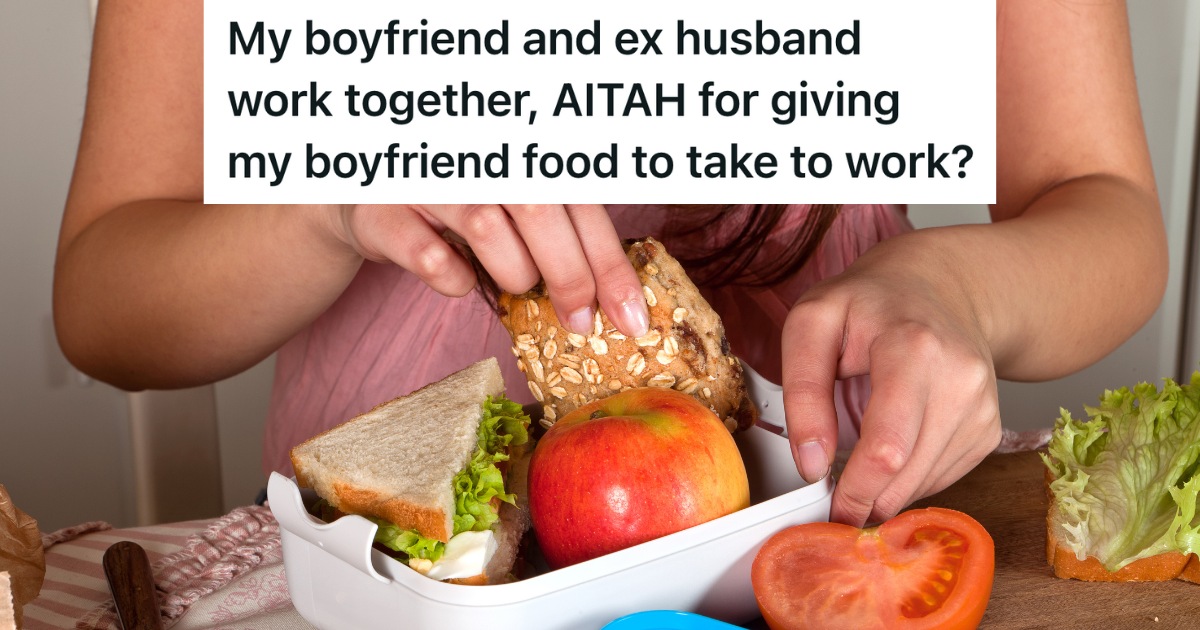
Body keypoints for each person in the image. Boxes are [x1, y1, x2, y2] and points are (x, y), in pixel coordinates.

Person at [54, 0, 1166, 528]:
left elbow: (1102, 208)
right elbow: (106, 300)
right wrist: (322, 213)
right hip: (405, 566)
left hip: (838, 527)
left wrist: (959, 287)